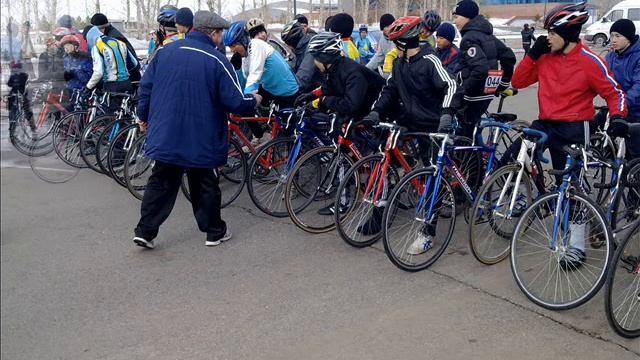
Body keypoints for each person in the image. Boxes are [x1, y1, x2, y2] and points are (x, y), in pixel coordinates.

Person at [511, 2, 628, 268]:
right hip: (547, 123)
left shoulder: (589, 62)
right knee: (517, 153)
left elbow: (614, 93)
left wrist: (618, 118)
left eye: (552, 33)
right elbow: (518, 82)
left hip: (574, 127)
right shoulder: (545, 56)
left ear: (568, 34)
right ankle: (531, 197)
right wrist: (532, 54)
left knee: (572, 184)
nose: (547, 37)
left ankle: (576, 244)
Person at [133, 10, 261, 249]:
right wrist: (254, 100)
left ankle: (145, 231)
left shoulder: (164, 52)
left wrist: (143, 117)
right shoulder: (216, 60)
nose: (221, 38)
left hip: (166, 132)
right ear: (212, 33)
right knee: (204, 184)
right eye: (220, 33)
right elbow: (234, 101)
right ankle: (214, 232)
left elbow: (145, 89)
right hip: (201, 135)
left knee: (161, 182)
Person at [360, 17, 459, 244]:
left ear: (404, 43)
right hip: (411, 121)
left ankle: (427, 232)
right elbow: (389, 90)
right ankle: (381, 207)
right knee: (383, 154)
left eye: (396, 43)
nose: (394, 47)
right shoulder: (399, 63)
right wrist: (376, 112)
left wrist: (446, 114)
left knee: (433, 171)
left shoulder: (429, 61)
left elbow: (451, 85)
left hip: (434, 123)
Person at [453, 0, 516, 140]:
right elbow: (509, 57)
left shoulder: (469, 38)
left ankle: (470, 160)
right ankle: (477, 159)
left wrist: (464, 89)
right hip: (487, 92)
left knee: (463, 136)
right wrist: (502, 84)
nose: (455, 21)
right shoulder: (487, 35)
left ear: (467, 17)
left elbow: (480, 69)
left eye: (456, 17)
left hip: (472, 95)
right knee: (472, 131)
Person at [242, 18, 299, 106]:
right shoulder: (255, 46)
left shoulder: (272, 43)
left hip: (285, 83)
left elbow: (287, 63)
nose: (260, 36)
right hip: (272, 83)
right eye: (256, 34)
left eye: (261, 32)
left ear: (265, 31)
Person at [605, 18, 640, 158]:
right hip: (618, 106)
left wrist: (622, 104)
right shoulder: (610, 57)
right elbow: (602, 80)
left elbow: (638, 86)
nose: (613, 39)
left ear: (629, 38)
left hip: (636, 109)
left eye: (618, 36)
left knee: (633, 151)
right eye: (611, 35)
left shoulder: (637, 57)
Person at [84, 26, 139, 111]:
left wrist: (88, 87)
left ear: (89, 37)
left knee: (111, 118)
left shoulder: (97, 46)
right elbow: (134, 63)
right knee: (124, 116)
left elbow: (98, 72)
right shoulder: (120, 43)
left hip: (112, 85)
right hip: (127, 83)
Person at [90, 13, 141, 82]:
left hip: (128, 78)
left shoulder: (112, 39)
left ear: (102, 28)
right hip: (130, 75)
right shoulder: (112, 34)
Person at [281, 19, 322, 92]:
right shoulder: (299, 49)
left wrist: (285, 89)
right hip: (309, 87)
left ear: (293, 41)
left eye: (288, 44)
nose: (289, 47)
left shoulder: (311, 48)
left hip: (317, 90)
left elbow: (303, 76)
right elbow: (292, 66)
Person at [60, 35, 92, 102]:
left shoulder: (84, 58)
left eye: (68, 45)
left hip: (81, 91)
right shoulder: (66, 58)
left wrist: (75, 71)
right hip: (69, 91)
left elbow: (88, 78)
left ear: (75, 46)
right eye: (64, 46)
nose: (66, 48)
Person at [7, 61, 35, 133]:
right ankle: (12, 128)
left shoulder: (24, 75)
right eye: (14, 68)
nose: (15, 70)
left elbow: (28, 85)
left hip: (23, 95)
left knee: (27, 112)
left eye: (17, 68)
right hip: (14, 95)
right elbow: (9, 84)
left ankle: (33, 129)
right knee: (12, 112)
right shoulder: (13, 75)